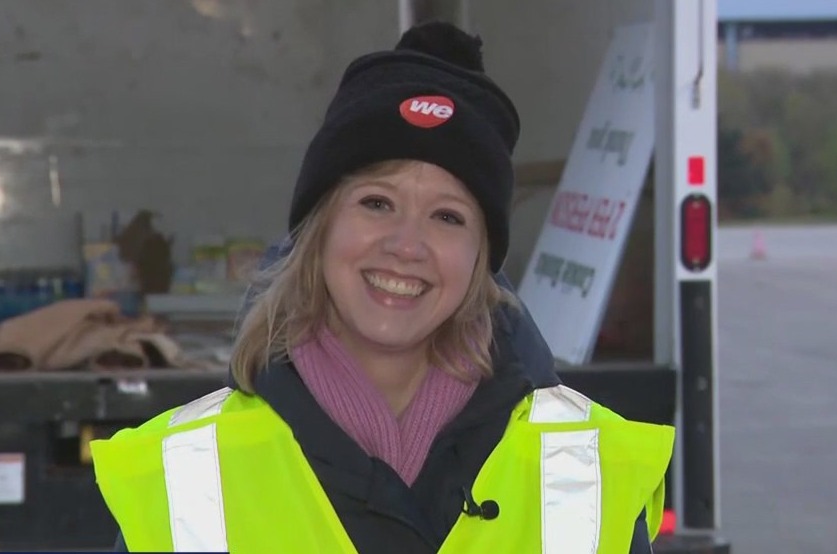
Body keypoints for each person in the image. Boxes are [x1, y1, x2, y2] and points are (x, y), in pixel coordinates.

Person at [92, 21, 674, 553]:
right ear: (318, 232)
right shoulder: (184, 478)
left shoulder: (583, 468)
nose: (406, 244)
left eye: (448, 217)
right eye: (377, 203)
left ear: (482, 260)